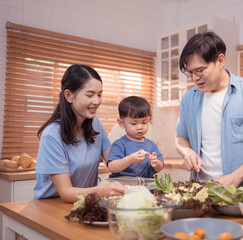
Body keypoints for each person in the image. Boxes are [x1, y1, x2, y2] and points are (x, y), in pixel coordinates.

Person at [175, 31, 243, 189]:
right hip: (201, 192)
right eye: (190, 73)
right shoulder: (188, 99)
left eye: (200, 70)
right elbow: (180, 138)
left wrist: (236, 176)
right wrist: (187, 152)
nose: (195, 78)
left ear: (220, 61)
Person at [34, 64, 125, 202]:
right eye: (90, 95)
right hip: (51, 206)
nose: (97, 101)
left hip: (84, 203)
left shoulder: (96, 124)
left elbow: (113, 163)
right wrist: (102, 190)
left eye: (99, 95)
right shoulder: (51, 136)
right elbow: (66, 192)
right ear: (69, 96)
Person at [107, 96, 164, 178]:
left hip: (145, 185)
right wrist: (129, 160)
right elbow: (112, 167)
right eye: (134, 123)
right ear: (121, 123)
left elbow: (160, 167)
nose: (140, 127)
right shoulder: (119, 144)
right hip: (123, 185)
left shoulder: (151, 145)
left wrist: (156, 163)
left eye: (144, 122)